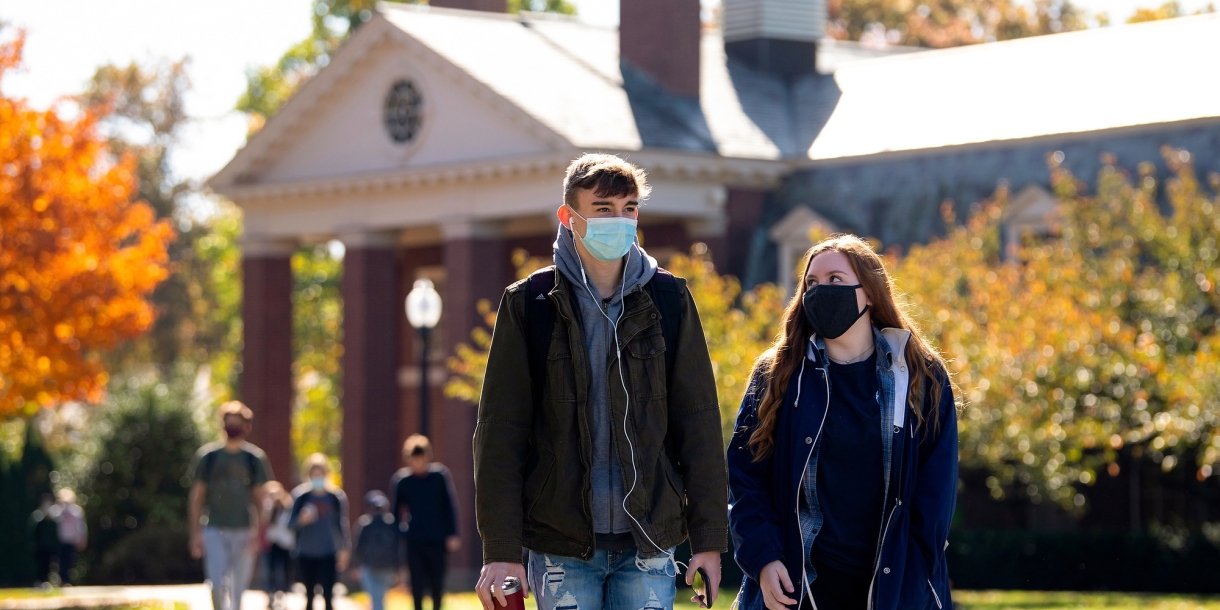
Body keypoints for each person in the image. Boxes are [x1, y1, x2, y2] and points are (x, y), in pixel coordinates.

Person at [474, 153, 728, 610]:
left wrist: (708, 539)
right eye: (604, 208)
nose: (620, 220)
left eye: (629, 208)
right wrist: (501, 550)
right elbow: (500, 433)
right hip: (561, 544)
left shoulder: (669, 299)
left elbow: (699, 424)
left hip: (649, 541)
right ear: (569, 217)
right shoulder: (530, 303)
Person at [727, 235, 959, 610]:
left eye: (835, 279)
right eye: (812, 284)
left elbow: (936, 493)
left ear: (869, 292)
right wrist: (764, 559)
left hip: (893, 586)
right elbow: (745, 477)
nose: (821, 291)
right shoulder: (777, 374)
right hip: (798, 585)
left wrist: (912, 576)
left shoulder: (920, 375)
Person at [189, 401, 274, 610]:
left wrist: (260, 532)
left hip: (245, 531)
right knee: (216, 585)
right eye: (229, 424)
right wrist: (195, 534)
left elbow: (262, 499)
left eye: (237, 424)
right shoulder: (208, 457)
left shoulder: (254, 458)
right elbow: (196, 497)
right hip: (214, 529)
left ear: (246, 427)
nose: (232, 428)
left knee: (238, 591)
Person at [389, 435, 460, 610]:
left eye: (421, 459)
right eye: (414, 459)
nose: (418, 463)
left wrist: (452, 533)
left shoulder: (439, 477)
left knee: (437, 584)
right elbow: (395, 512)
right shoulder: (403, 481)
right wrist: (400, 535)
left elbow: (449, 506)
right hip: (415, 540)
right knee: (417, 584)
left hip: (437, 539)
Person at [290, 454, 351, 610]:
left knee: (328, 597)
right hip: (306, 552)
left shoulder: (336, 497)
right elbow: (290, 524)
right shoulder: (301, 496)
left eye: (320, 474)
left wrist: (345, 549)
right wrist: (301, 520)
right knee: (309, 596)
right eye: (314, 474)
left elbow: (342, 524)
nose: (317, 478)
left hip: (328, 551)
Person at [351, 490, 400, 610]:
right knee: (378, 598)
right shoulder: (389, 523)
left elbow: (358, 547)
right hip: (373, 567)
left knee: (377, 598)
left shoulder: (367, 523)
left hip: (380, 567)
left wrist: (355, 566)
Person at [262, 481, 295, 610]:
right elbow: (265, 522)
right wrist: (269, 507)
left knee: (286, 571)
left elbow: (290, 524)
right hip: (272, 544)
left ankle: (284, 595)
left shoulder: (289, 507)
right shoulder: (269, 507)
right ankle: (271, 594)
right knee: (270, 571)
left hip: (286, 545)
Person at [55, 489, 87, 585]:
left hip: (72, 541)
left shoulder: (76, 511)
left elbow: (81, 526)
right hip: (60, 541)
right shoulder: (57, 510)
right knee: (60, 561)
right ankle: (61, 580)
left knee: (70, 561)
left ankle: (67, 580)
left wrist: (82, 538)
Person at [30, 493, 59, 585]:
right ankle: (40, 581)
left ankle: (48, 581)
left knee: (50, 565)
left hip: (50, 547)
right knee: (40, 564)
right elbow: (33, 532)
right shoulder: (37, 516)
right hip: (40, 546)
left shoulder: (55, 518)